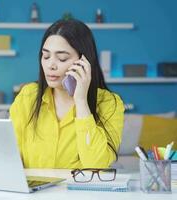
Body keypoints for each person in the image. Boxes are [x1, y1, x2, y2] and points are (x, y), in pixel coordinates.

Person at [9, 19, 124, 169]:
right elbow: (9, 155)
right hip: (35, 192)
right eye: (46, 56)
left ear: (84, 61)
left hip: (81, 192)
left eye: (62, 58)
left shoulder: (109, 104)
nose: (51, 65)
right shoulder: (28, 96)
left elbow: (96, 165)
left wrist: (81, 101)